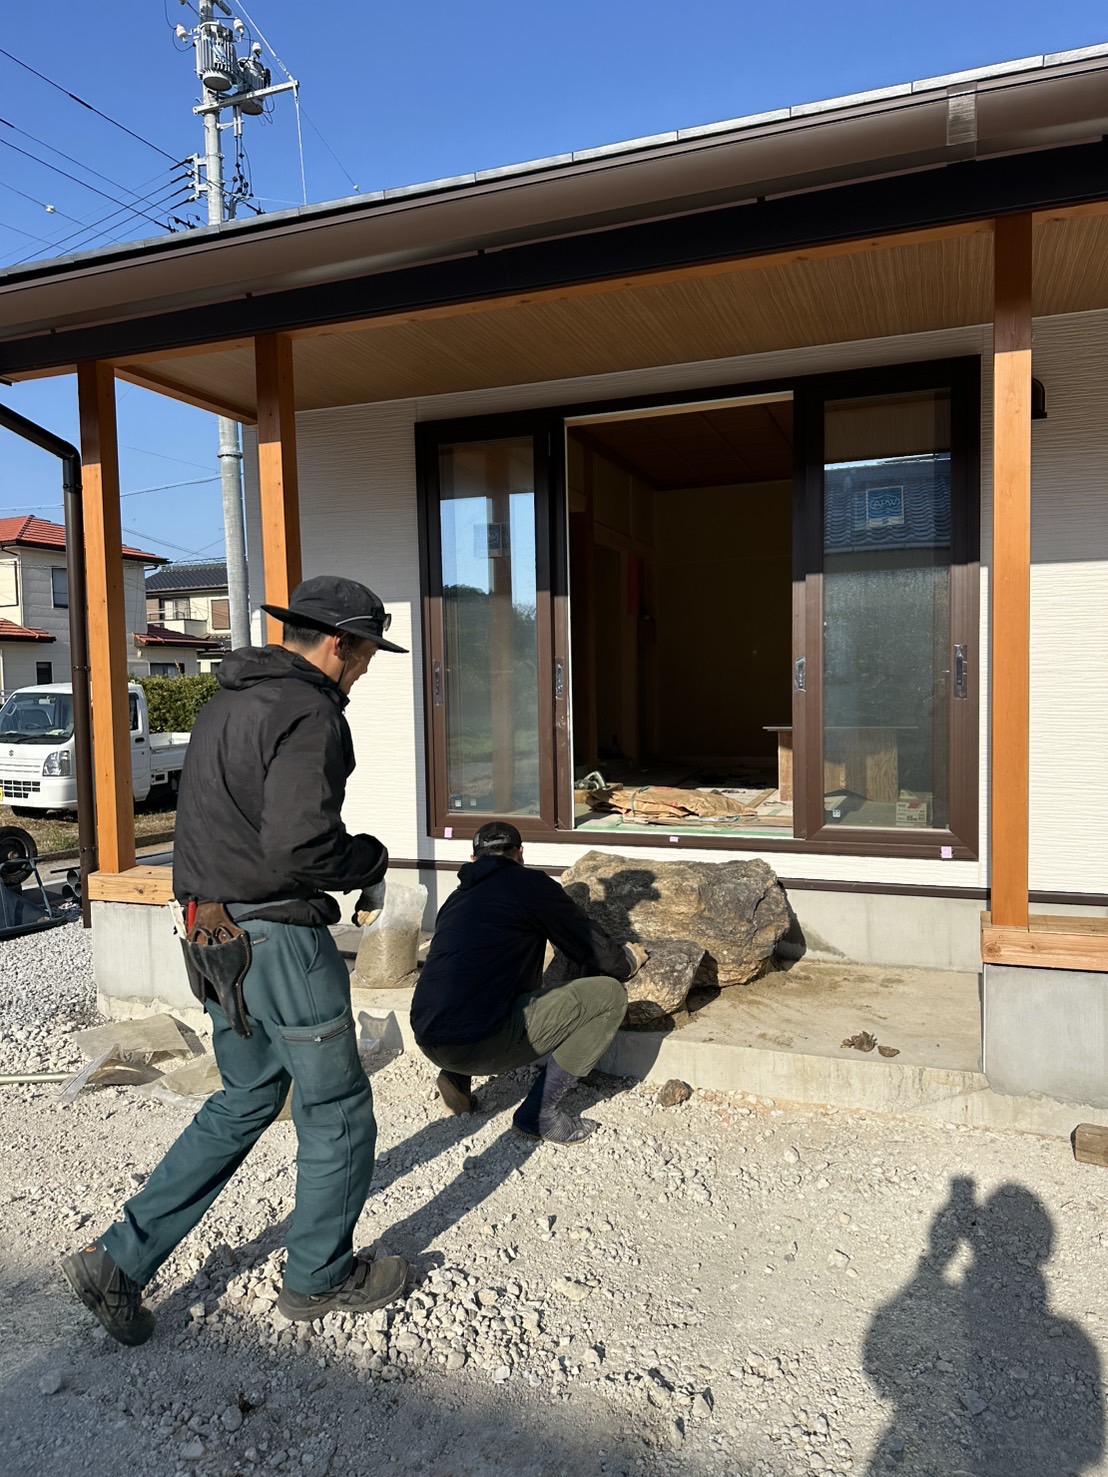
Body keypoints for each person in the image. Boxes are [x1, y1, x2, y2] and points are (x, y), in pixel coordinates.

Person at [63, 575, 410, 1347]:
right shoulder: (311, 712)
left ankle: (117, 1260)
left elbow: (220, 825)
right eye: (364, 654)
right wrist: (369, 858)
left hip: (209, 933)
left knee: (246, 1096)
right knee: (337, 1107)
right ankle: (320, 1275)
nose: (364, 669)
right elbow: (299, 844)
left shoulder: (230, 700)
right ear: (337, 643)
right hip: (278, 938)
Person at [410, 820, 633, 1145]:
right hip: (477, 1041)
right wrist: (626, 961)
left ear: (473, 860)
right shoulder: (531, 885)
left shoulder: (456, 898)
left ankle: (456, 1078)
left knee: (481, 978)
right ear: (521, 854)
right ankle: (539, 1114)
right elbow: (587, 944)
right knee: (609, 996)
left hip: (428, 1035)